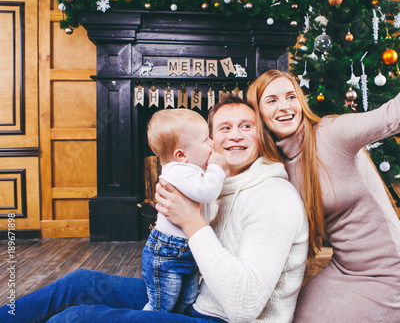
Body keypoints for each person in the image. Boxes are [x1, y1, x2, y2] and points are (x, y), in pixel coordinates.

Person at [0, 95, 309, 323]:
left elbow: (244, 307)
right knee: (79, 282)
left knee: (75, 319)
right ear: (210, 141)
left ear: (260, 136)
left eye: (246, 126)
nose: (236, 135)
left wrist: (192, 224)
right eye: (225, 128)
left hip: (224, 319)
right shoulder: (216, 184)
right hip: (197, 299)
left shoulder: (274, 198)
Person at [242, 42, 400, 323]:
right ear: (258, 113)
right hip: (345, 268)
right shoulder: (277, 167)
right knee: (290, 317)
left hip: (392, 275)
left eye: (290, 97)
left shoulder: (331, 134)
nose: (284, 107)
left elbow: (393, 116)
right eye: (271, 100)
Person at [142, 109, 226, 313]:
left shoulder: (189, 169)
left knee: (186, 301)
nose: (212, 144)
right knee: (161, 306)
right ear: (181, 155)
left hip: (186, 251)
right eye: (206, 140)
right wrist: (217, 167)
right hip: (168, 253)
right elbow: (206, 192)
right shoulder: (177, 171)